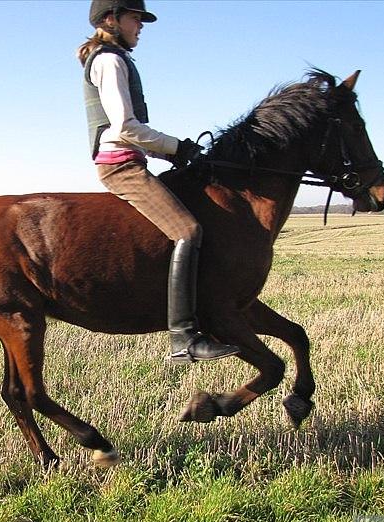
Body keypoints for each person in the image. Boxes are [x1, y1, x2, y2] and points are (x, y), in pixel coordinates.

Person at [78, 0, 239, 362]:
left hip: (133, 159)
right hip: (121, 167)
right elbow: (125, 128)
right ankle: (183, 337)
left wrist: (176, 154)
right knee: (188, 231)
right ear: (111, 19)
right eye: (136, 17)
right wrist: (176, 146)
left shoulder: (117, 58)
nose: (141, 25)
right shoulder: (109, 60)